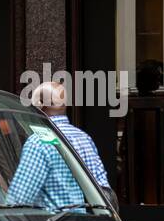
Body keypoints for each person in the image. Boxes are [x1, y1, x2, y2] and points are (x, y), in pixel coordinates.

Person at [6, 82, 109, 211]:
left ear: (40, 104)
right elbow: (104, 188)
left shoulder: (38, 142)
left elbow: (19, 200)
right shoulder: (84, 138)